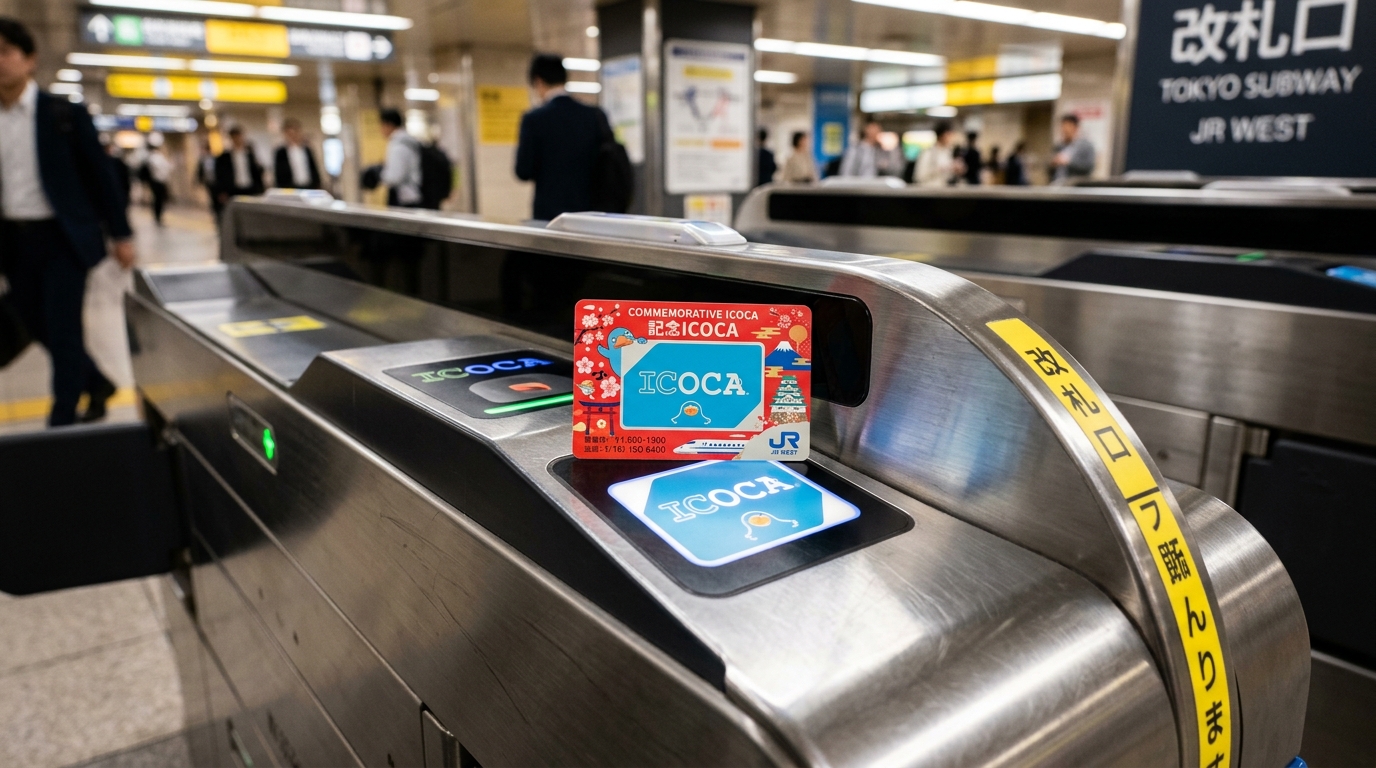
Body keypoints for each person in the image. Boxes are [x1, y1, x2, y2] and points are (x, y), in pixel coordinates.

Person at [0, 17, 134, 425]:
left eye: (6, 52)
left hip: (61, 239)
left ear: (30, 60)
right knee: (32, 323)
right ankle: (96, 383)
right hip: (12, 242)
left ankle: (62, 418)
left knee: (62, 328)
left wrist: (121, 233)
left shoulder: (63, 114)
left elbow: (101, 176)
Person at [515, 53, 614, 220]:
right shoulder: (594, 115)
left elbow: (523, 171)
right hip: (591, 212)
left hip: (549, 215)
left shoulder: (534, 119)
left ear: (538, 82)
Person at [378, 108, 423, 207]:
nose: (381, 130)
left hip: (405, 199)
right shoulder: (408, 142)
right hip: (412, 196)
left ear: (389, 125)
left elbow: (395, 177)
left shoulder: (398, 146)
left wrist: (380, 174)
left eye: (382, 125)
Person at [214, 126, 265, 214]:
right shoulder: (224, 157)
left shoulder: (250, 154)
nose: (238, 139)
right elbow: (220, 175)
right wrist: (222, 191)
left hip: (251, 189)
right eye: (235, 137)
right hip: (234, 190)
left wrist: (261, 190)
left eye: (240, 136)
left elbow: (258, 172)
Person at [839, 120, 904, 178]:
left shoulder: (883, 151)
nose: (875, 132)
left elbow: (897, 170)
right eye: (873, 128)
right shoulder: (855, 150)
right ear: (866, 129)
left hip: (877, 187)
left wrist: (893, 148)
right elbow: (846, 172)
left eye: (878, 129)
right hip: (858, 186)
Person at [274, 117, 321, 190]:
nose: (293, 135)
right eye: (290, 133)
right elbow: (279, 174)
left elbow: (314, 169)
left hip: (309, 186)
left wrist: (317, 185)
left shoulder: (307, 149)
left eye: (295, 132)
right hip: (291, 188)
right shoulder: (280, 152)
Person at [914, 122, 964, 187]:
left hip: (945, 191)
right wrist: (940, 169)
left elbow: (948, 176)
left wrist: (956, 170)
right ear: (942, 135)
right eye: (949, 135)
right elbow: (919, 176)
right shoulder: (928, 153)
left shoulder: (948, 153)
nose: (951, 138)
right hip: (929, 191)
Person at [1051, 113, 1096, 182]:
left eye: (1067, 126)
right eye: (1062, 127)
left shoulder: (1086, 146)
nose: (1064, 130)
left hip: (1076, 187)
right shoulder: (1059, 147)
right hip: (1058, 184)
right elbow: (1051, 170)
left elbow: (1088, 167)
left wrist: (1068, 163)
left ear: (1075, 127)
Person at [145, 141, 171, 226]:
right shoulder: (155, 157)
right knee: (158, 200)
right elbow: (166, 167)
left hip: (158, 181)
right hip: (157, 181)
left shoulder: (152, 157)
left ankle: (158, 216)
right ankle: (158, 217)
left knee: (158, 200)